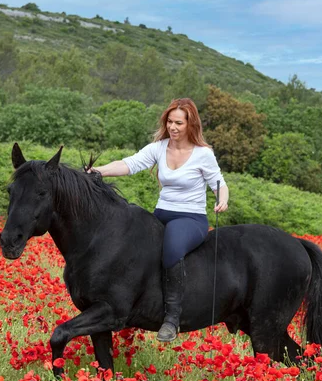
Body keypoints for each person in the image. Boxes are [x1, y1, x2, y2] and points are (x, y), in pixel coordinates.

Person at [89, 98, 229, 342]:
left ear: (190, 124)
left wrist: (222, 199)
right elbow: (130, 164)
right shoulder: (159, 147)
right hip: (161, 212)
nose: (172, 127)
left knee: (172, 247)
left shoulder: (203, 154)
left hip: (191, 218)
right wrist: (97, 171)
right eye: (169, 122)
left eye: (178, 123)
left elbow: (219, 183)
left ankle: (172, 319)